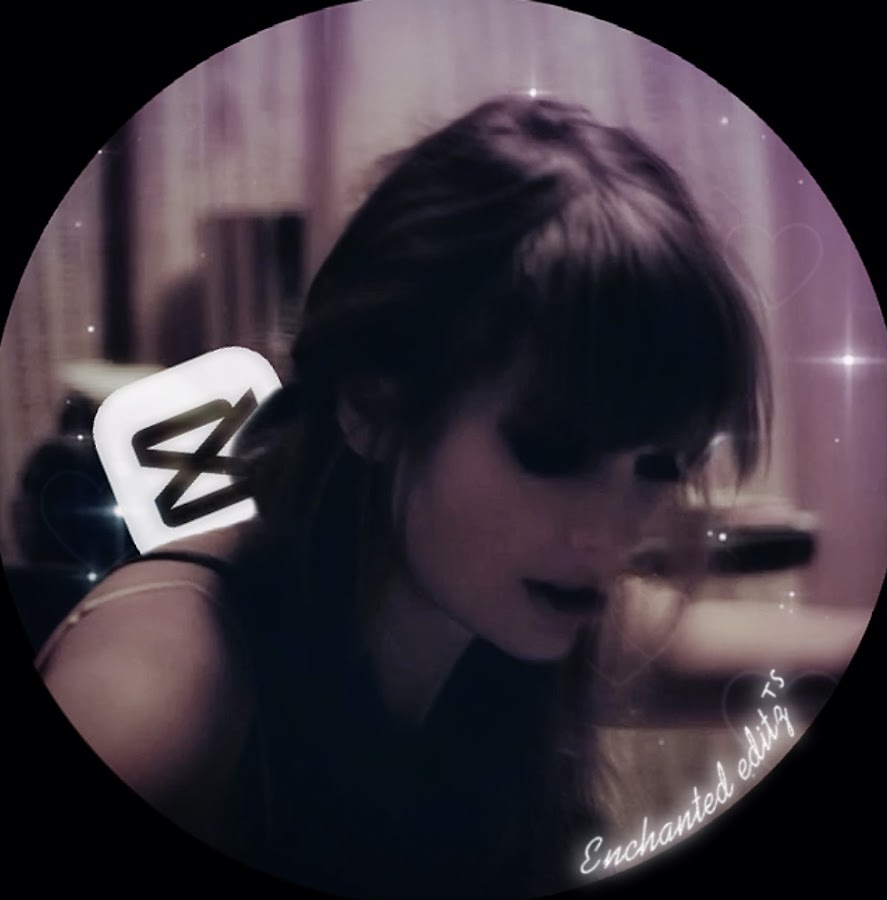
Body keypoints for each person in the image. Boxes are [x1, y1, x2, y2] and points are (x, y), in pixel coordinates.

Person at [36, 95, 772, 899]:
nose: (611, 534)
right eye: (550, 452)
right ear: (372, 409)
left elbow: (736, 650)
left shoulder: (504, 592)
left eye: (661, 463)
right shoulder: (158, 690)